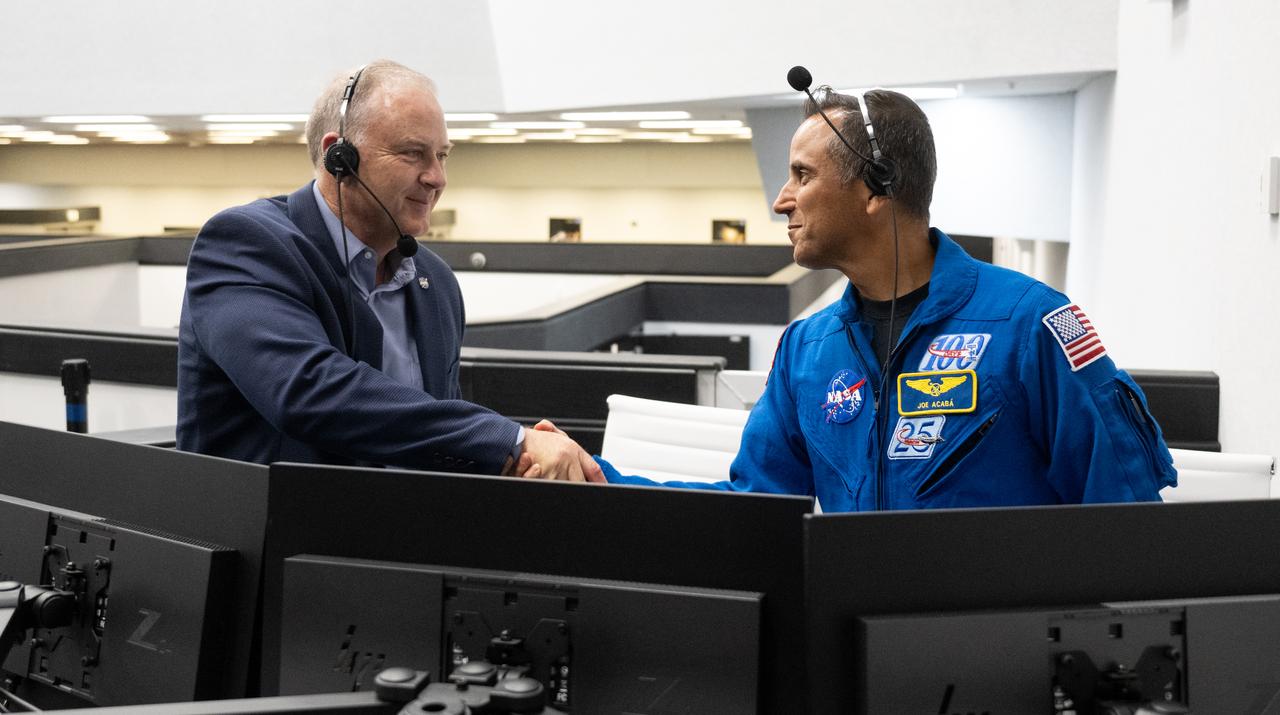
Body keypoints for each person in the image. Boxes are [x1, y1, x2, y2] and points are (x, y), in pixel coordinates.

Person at [527, 87, 1176, 509]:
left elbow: (1126, 513)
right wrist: (598, 479)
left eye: (802, 176)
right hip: (857, 655)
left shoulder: (1031, 324)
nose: (780, 199)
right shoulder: (808, 351)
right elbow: (755, 510)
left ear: (874, 188)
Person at [177, 59, 601, 482]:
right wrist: (508, 439)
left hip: (403, 535)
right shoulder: (246, 243)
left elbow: (429, 433)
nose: (437, 178)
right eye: (413, 153)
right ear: (337, 157)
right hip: (271, 537)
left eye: (442, 156)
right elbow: (309, 392)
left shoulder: (435, 282)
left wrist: (519, 458)